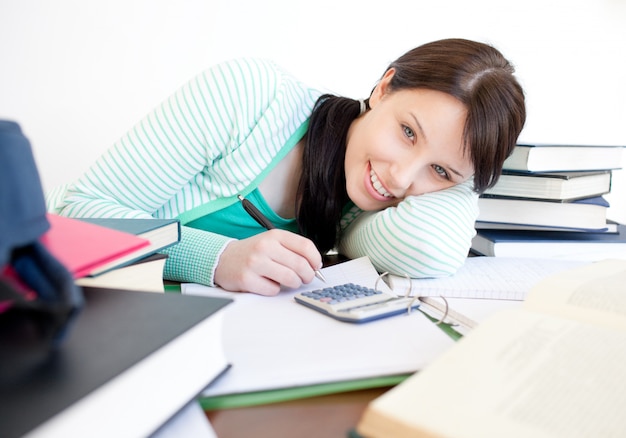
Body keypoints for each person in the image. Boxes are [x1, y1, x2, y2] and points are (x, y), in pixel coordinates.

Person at [48, 38, 526, 295]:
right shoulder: (253, 96)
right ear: (383, 88)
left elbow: (431, 248)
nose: (401, 178)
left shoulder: (373, 210)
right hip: (64, 294)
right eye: (408, 132)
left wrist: (467, 180)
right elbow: (76, 216)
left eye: (438, 172)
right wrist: (216, 260)